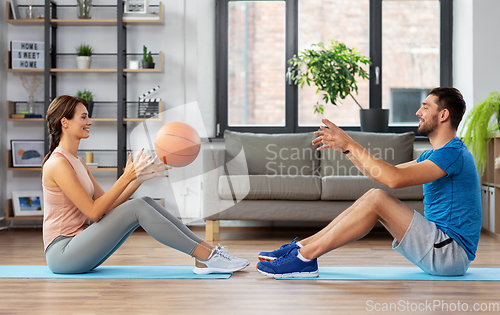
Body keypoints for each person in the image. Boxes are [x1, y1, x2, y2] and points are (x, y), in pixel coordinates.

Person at [256, 87, 481, 278]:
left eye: (425, 107)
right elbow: (381, 174)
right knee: (372, 196)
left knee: (376, 198)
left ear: (443, 115)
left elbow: (393, 179)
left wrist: (351, 144)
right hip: (440, 248)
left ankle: (304, 259)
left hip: (450, 253)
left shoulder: (452, 153)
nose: (418, 112)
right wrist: (346, 148)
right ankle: (301, 249)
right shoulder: (435, 155)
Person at [42, 95, 249, 274]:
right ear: (65, 122)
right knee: (138, 207)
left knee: (145, 201)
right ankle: (208, 256)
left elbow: (106, 207)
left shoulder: (77, 162)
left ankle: (207, 254)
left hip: (80, 245)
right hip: (63, 254)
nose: (90, 121)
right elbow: (94, 213)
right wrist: (126, 177)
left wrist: (136, 180)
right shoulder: (58, 164)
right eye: (84, 117)